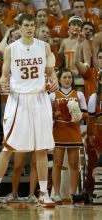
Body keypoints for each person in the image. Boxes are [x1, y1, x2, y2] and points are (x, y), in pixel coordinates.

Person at [0, 13, 58, 206]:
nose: (29, 28)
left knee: (41, 148)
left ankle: (43, 193)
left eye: (32, 25)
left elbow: (51, 68)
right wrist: (3, 81)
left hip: (40, 99)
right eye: (26, 25)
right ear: (19, 27)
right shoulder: (11, 49)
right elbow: (4, 74)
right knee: (7, 148)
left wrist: (54, 79)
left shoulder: (44, 46)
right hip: (18, 100)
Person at [50, 68, 87, 203]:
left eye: (69, 77)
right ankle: (57, 194)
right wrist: (56, 115)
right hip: (59, 132)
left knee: (74, 164)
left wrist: (77, 115)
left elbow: (86, 114)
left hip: (73, 132)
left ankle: (73, 194)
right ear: (59, 79)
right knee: (57, 164)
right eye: (64, 77)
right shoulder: (53, 95)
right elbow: (48, 117)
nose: (67, 80)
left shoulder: (79, 95)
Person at [74, 36, 102, 193]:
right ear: (96, 60)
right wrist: (79, 46)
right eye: (99, 58)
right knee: (93, 156)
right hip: (94, 121)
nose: (101, 60)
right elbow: (76, 63)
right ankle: (93, 191)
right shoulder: (91, 73)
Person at [88, 71, 102, 158]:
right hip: (99, 135)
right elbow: (91, 120)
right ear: (100, 80)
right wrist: (92, 137)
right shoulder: (94, 97)